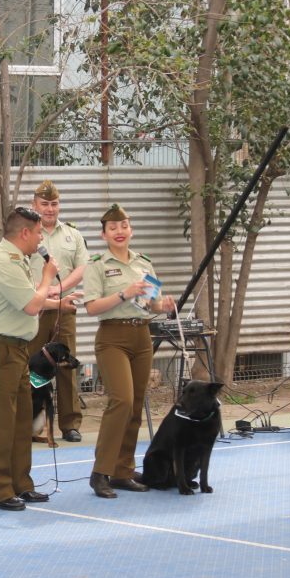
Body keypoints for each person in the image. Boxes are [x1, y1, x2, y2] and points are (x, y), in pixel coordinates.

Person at [0, 207, 77, 511]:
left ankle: (21, 483)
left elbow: (27, 299)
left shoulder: (17, 259)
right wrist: (48, 278)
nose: (42, 238)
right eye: (38, 232)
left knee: (21, 420)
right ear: (24, 233)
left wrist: (58, 302)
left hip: (16, 349)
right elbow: (31, 305)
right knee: (1, 423)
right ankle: (0, 490)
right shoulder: (2, 261)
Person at [83, 204, 175, 499]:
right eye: (113, 228)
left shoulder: (144, 263)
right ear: (103, 234)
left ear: (131, 230)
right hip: (112, 337)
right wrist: (124, 293)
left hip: (141, 335)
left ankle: (123, 470)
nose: (119, 232)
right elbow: (91, 307)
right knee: (120, 400)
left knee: (136, 403)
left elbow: (152, 304)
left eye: (124, 226)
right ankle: (100, 472)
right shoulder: (97, 264)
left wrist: (164, 305)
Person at [28, 179, 89, 442]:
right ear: (35, 205)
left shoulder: (72, 234)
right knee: (31, 366)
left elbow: (82, 267)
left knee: (67, 365)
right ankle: (28, 421)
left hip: (64, 309)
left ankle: (69, 423)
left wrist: (58, 289)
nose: (50, 209)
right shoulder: (28, 232)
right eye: (44, 204)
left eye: (54, 204)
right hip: (34, 309)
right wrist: (42, 292)